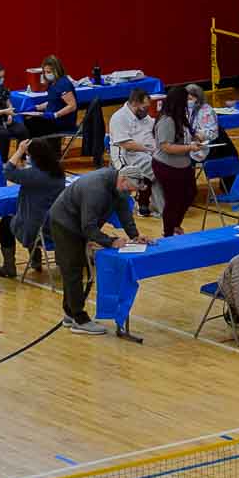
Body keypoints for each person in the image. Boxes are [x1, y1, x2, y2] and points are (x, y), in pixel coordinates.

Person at [46, 163, 151, 334]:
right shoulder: (97, 190)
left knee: (78, 268)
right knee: (73, 269)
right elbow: (88, 226)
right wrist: (110, 241)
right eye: (130, 189)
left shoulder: (119, 187)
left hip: (78, 222)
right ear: (123, 179)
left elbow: (124, 211)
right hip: (64, 223)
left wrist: (135, 235)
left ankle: (70, 312)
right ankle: (79, 319)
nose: (130, 193)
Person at [0, 135, 67, 280]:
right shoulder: (58, 171)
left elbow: (7, 171)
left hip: (38, 228)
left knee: (6, 222)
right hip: (57, 225)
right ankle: (35, 258)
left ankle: (9, 266)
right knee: (25, 214)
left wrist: (20, 151)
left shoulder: (34, 175)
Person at [151, 84, 203, 237]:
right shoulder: (166, 120)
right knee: (173, 200)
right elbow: (166, 146)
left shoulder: (180, 117)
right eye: (186, 100)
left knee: (190, 193)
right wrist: (189, 148)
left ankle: (175, 225)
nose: (189, 103)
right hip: (166, 166)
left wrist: (195, 137)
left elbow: (183, 135)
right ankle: (168, 233)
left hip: (183, 165)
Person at [108, 88, 157, 215]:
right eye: (144, 107)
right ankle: (144, 201)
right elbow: (126, 144)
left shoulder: (145, 117)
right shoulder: (119, 117)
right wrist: (150, 149)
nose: (147, 110)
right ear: (135, 103)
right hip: (125, 154)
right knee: (155, 165)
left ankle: (155, 201)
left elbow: (156, 127)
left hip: (145, 152)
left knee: (165, 162)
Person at [19, 54, 80, 141]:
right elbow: (53, 101)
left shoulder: (63, 84)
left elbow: (72, 106)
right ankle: (28, 150)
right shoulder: (52, 83)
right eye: (45, 72)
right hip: (52, 118)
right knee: (27, 120)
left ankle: (32, 150)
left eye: (49, 72)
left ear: (57, 70)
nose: (47, 74)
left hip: (62, 121)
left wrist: (55, 115)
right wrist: (36, 107)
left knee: (31, 124)